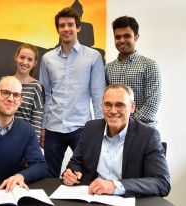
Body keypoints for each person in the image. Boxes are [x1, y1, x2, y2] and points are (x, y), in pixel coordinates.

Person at [62, 83, 170, 197]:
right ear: (102, 106)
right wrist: (71, 173)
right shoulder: (90, 129)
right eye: (108, 105)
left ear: (132, 107)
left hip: (127, 200)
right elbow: (76, 163)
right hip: (92, 199)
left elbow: (162, 183)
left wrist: (116, 186)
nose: (113, 111)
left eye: (120, 105)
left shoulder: (148, 136)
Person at [39, 7, 106, 178]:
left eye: (70, 24)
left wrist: (100, 129)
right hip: (53, 127)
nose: (66, 29)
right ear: (58, 29)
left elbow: (98, 95)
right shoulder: (48, 59)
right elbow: (44, 95)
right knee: (49, 177)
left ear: (78, 27)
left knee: (82, 176)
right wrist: (43, 127)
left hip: (81, 127)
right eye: (62, 26)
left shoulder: (93, 56)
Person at [105, 16, 161, 127]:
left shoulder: (149, 65)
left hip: (143, 129)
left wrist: (129, 122)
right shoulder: (108, 68)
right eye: (117, 37)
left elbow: (153, 102)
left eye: (127, 36)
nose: (121, 40)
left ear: (136, 37)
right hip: (116, 129)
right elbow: (106, 101)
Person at [13, 43, 44, 139]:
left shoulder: (36, 86)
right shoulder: (5, 82)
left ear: (34, 63)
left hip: (24, 140)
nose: (25, 62)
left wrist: (34, 145)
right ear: (16, 57)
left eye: (30, 59)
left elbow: (37, 119)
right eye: (22, 57)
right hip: (1, 138)